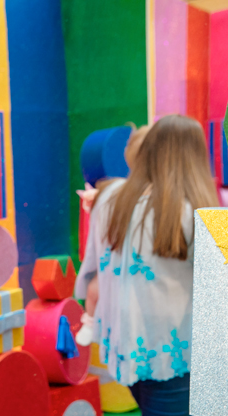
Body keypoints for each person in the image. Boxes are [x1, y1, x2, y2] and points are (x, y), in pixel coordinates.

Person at [74, 115, 219, 416]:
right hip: (172, 362)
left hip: (126, 356)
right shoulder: (194, 215)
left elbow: (92, 264)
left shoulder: (110, 200)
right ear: (194, 158)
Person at [76, 124, 151, 347]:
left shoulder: (149, 193)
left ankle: (92, 321)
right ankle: (89, 321)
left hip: (136, 263)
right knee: (94, 289)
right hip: (118, 256)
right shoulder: (120, 190)